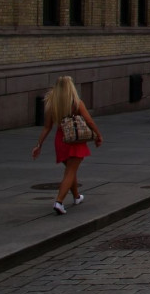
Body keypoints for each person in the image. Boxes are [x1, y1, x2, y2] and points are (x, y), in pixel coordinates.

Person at [32, 76, 102, 215]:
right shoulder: (76, 103)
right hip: (75, 139)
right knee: (70, 172)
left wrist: (39, 144)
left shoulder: (52, 104)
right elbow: (89, 120)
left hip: (61, 140)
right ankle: (59, 201)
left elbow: (47, 127)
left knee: (71, 170)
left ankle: (76, 197)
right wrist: (98, 135)